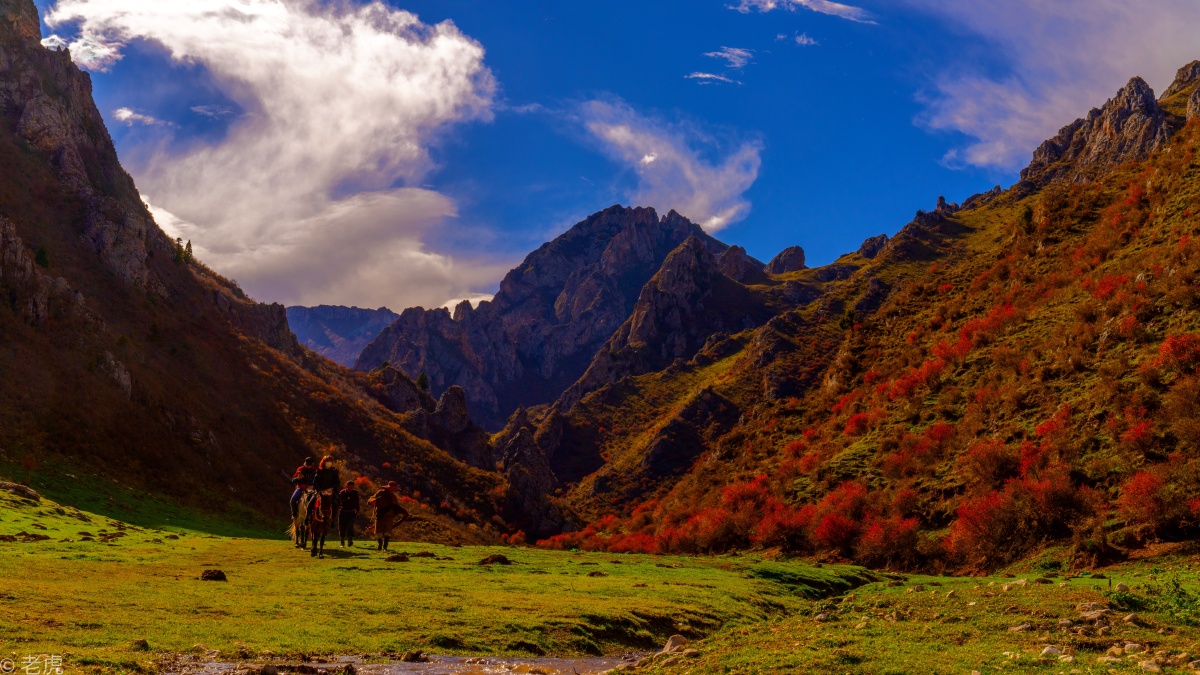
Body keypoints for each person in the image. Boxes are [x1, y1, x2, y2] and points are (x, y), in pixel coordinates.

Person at [368, 480, 408, 551]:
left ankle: (385, 547)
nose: (393, 490)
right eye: (391, 488)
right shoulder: (380, 493)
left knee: (387, 533)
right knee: (378, 533)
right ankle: (380, 545)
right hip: (380, 515)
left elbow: (397, 506)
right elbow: (371, 498)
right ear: (388, 487)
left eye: (394, 489)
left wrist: (403, 511)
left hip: (390, 516)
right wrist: (372, 502)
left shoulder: (394, 497)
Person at [307, 456, 342, 522]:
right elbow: (315, 482)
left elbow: (337, 483)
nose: (329, 463)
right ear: (324, 462)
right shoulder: (320, 471)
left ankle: (333, 519)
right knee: (311, 501)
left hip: (331, 491)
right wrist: (320, 490)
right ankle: (307, 516)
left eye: (330, 461)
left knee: (336, 503)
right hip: (320, 491)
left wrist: (332, 488)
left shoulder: (334, 471)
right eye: (327, 461)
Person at [338, 480, 360, 547]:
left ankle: (350, 540)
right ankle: (342, 542)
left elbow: (357, 502)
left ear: (353, 487)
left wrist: (357, 510)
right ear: (346, 486)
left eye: (351, 487)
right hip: (343, 512)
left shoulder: (355, 493)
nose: (350, 488)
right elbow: (338, 501)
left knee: (350, 526)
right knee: (342, 527)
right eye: (349, 487)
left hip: (351, 512)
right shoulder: (342, 493)